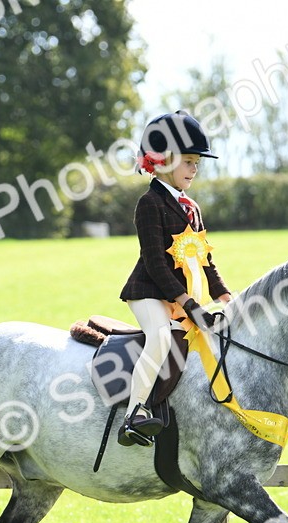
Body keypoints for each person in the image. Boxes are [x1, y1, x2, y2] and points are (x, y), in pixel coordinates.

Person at [117, 111, 231, 447]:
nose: (194, 169)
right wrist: (187, 303)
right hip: (149, 291)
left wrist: (227, 298)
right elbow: (155, 263)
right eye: (189, 162)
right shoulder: (149, 203)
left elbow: (205, 261)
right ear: (164, 160)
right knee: (160, 337)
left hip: (181, 296)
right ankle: (134, 413)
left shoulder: (191, 207)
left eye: (197, 163)